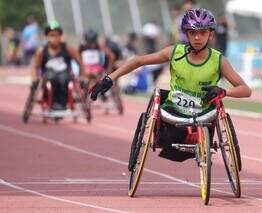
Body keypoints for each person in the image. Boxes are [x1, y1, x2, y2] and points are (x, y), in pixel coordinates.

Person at [90, 8, 251, 162]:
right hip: (174, 113)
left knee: (195, 132)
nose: (197, 38)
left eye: (202, 33)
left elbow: (246, 90)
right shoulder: (175, 52)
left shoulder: (219, 60)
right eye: (192, 33)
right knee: (170, 135)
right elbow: (138, 61)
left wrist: (223, 91)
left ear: (211, 34)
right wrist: (109, 79)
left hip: (204, 115)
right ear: (186, 34)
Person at [31, 21, 85, 110]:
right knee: (51, 78)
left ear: (60, 36)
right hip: (48, 74)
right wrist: (35, 78)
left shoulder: (68, 49)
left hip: (65, 74)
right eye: (51, 35)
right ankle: (51, 102)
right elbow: (35, 67)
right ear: (47, 36)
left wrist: (82, 76)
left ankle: (62, 103)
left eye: (57, 35)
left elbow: (81, 64)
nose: (54, 38)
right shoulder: (41, 51)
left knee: (63, 78)